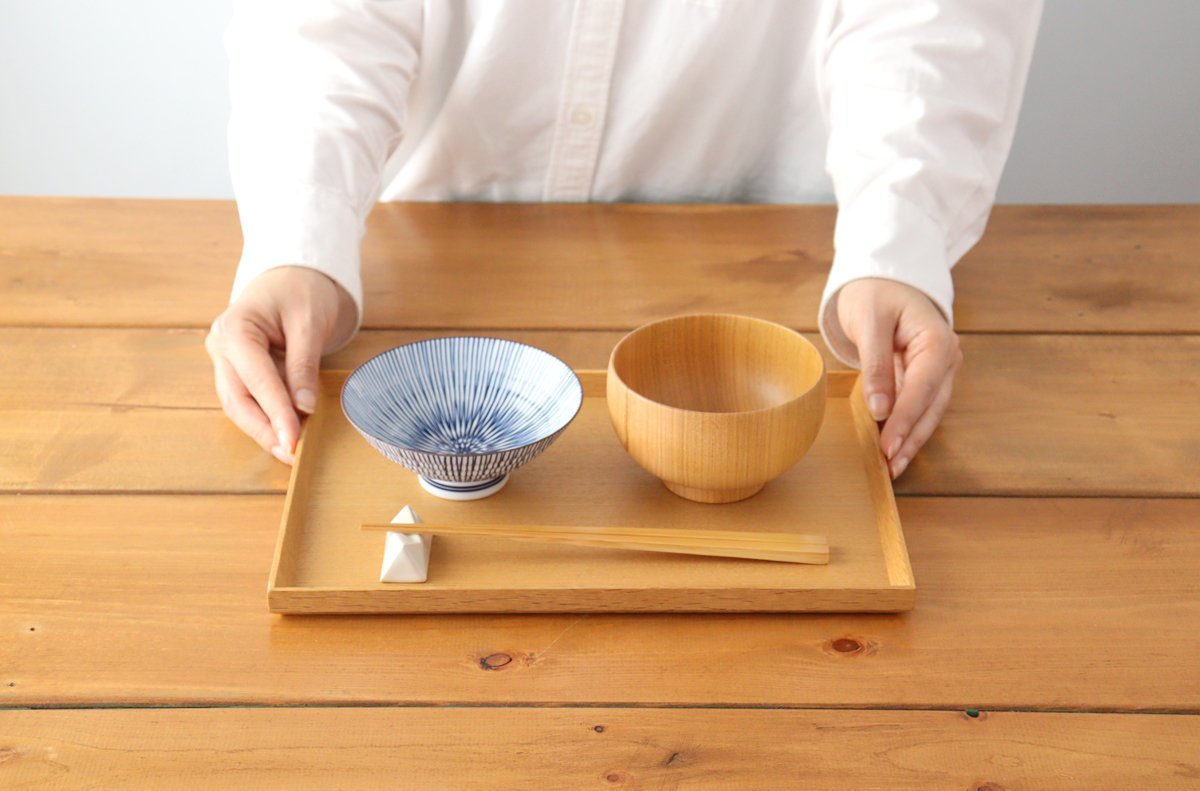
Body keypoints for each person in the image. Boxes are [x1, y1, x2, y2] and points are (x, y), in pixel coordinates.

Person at [206, 0, 1042, 479]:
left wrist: (897, 243)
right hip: (429, 254)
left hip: (790, 264)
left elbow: (927, 22)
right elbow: (325, 27)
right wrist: (297, 239)